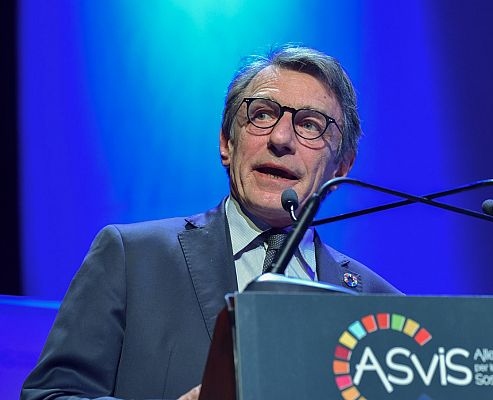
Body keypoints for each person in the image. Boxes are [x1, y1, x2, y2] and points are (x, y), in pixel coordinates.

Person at [22, 45, 400, 400]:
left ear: (342, 166)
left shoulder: (381, 305)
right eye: (262, 114)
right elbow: (49, 394)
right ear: (226, 143)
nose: (281, 138)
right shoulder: (132, 260)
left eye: (311, 125)